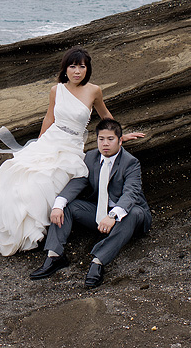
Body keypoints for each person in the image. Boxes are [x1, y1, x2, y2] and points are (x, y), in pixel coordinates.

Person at [0, 47, 139, 256]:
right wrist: (39, 144)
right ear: (65, 69)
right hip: (51, 139)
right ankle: (16, 229)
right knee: (20, 176)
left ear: (87, 69)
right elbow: (49, 118)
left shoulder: (94, 91)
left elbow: (105, 116)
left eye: (81, 66)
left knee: (45, 181)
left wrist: (120, 137)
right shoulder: (56, 90)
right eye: (72, 66)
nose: (77, 71)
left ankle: (39, 230)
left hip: (71, 146)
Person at [30, 118, 151, 288]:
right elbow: (78, 182)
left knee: (133, 213)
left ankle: (98, 262)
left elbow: (131, 193)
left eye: (110, 139)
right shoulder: (91, 157)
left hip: (128, 217)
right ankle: (54, 256)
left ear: (120, 140)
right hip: (99, 214)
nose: (105, 144)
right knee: (69, 206)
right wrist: (58, 204)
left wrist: (112, 216)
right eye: (101, 139)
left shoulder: (131, 163)